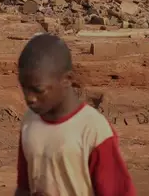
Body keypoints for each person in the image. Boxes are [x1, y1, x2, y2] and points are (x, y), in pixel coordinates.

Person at [15, 33, 136, 196]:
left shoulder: (93, 130)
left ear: (67, 79)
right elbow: (24, 187)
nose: (29, 98)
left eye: (38, 90)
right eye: (24, 88)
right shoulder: (29, 122)